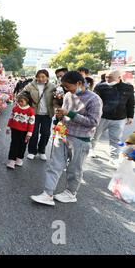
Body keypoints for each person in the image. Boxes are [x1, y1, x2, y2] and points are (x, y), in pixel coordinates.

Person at [31, 72, 103, 206]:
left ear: (79, 84)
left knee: (74, 169)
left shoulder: (94, 99)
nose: (66, 89)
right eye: (64, 86)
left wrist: (69, 113)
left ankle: (71, 193)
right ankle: (47, 193)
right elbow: (65, 112)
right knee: (54, 165)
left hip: (81, 139)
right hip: (63, 134)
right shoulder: (68, 95)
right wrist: (60, 116)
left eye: (67, 86)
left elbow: (93, 122)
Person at [90, 70, 134, 166]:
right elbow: (94, 102)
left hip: (119, 118)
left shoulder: (128, 87)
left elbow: (130, 102)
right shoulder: (100, 86)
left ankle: (114, 158)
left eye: (110, 78)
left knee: (116, 139)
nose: (108, 80)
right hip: (102, 117)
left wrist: (130, 116)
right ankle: (91, 149)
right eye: (106, 77)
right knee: (95, 135)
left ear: (119, 78)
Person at [23, 70, 56, 161]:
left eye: (43, 77)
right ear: (36, 77)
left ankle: (42, 150)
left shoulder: (52, 87)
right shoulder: (30, 86)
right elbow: (22, 95)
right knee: (33, 133)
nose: (41, 79)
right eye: (39, 77)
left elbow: (57, 99)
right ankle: (32, 151)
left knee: (45, 134)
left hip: (47, 114)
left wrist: (58, 100)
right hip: (34, 114)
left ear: (47, 77)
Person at [6, 92, 35, 169]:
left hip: (25, 132)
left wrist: (29, 133)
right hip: (15, 130)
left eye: (21, 101)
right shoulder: (15, 108)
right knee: (14, 144)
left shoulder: (31, 111)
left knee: (23, 145)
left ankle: (19, 159)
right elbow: (11, 118)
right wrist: (8, 127)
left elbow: (31, 123)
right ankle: (12, 160)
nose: (20, 103)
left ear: (27, 101)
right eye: (18, 101)